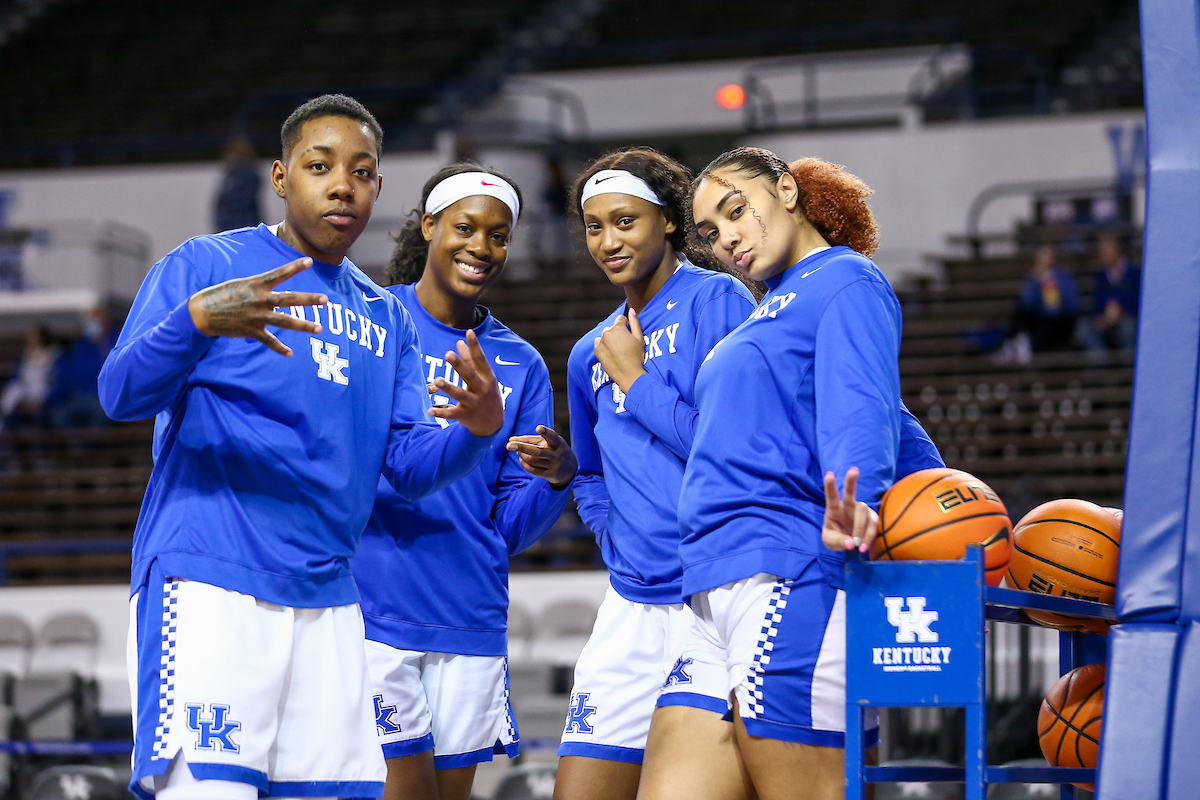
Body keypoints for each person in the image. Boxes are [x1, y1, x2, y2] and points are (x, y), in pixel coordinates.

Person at [99, 94, 507, 800]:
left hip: (329, 601)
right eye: (320, 167)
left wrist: (475, 432)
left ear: (378, 188)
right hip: (212, 578)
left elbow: (407, 470)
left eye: (361, 170)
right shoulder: (206, 264)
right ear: (283, 177)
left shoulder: (387, 317)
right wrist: (194, 322)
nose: (342, 184)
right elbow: (119, 396)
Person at [670, 148, 943, 800]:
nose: (725, 239)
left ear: (787, 190)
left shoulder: (845, 278)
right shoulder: (774, 304)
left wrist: (868, 501)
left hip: (787, 572)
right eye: (709, 233)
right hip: (709, 581)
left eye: (735, 211)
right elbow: (898, 420)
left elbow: (864, 415)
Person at [351, 163, 578, 800]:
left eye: (499, 235)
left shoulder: (521, 361)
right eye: (465, 227)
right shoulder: (374, 322)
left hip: (470, 615)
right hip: (374, 608)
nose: (482, 246)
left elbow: (507, 526)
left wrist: (557, 479)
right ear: (429, 226)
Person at [556, 147, 759, 800]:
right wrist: (612, 535)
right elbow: (589, 473)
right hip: (631, 602)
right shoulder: (589, 349)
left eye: (625, 221)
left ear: (668, 221)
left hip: (715, 594)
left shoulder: (718, 300)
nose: (608, 240)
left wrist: (636, 380)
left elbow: (728, 445)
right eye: (594, 226)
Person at [45, 306, 117, 429]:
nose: (91, 324)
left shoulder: (115, 342)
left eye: (95, 320)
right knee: (59, 415)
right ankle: (78, 446)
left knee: (99, 416)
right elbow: (68, 373)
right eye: (89, 320)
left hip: (102, 398)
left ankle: (93, 446)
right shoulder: (81, 345)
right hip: (77, 396)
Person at [1008, 243, 1081, 356]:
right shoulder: (1033, 278)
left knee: (1043, 330)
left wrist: (1058, 299)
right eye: (1043, 255)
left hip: (1062, 319)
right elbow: (1026, 303)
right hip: (1041, 319)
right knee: (1023, 315)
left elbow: (1073, 304)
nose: (1046, 258)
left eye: (1048, 254)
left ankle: (1025, 349)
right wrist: (1035, 281)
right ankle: (1018, 341)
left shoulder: (1064, 276)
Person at [1081, 233, 1140, 351]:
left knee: (1128, 328)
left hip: (1127, 318)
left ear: (1117, 250)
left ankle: (1127, 366)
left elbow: (1138, 301)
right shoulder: (1100, 275)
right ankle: (1100, 367)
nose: (1103, 254)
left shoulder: (1134, 273)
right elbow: (1096, 302)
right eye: (1101, 251)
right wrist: (1100, 317)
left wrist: (1120, 311)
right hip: (1105, 320)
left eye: (1106, 250)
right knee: (1084, 328)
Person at [1, 326, 58, 431]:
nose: (31, 340)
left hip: (44, 401)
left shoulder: (55, 357)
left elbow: (57, 384)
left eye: (34, 337)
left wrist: (43, 402)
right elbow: (18, 379)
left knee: (40, 420)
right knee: (11, 418)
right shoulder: (25, 358)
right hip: (25, 398)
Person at [213, 136, 263, 233]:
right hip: (227, 225)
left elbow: (244, 201)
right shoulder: (229, 175)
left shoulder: (251, 176)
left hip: (243, 224)